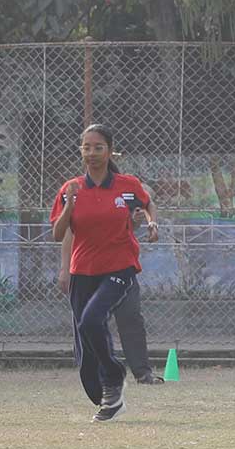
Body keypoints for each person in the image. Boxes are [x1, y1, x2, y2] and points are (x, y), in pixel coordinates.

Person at [49, 123, 158, 422]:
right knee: (85, 337)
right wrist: (69, 207)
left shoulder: (127, 185)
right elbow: (58, 234)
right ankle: (107, 396)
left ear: (110, 151)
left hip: (119, 267)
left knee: (92, 319)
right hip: (83, 270)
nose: (92, 153)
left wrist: (152, 223)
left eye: (98, 147)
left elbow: (148, 203)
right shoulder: (70, 189)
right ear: (81, 151)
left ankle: (114, 376)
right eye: (87, 147)